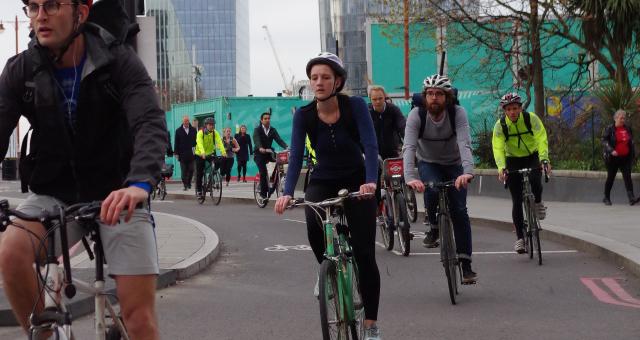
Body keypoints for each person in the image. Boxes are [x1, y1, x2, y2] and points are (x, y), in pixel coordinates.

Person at [0, 0, 165, 338]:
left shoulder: (117, 60)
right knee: (10, 251)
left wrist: (139, 183)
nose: (41, 15)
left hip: (120, 192)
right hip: (55, 193)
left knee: (139, 320)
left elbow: (148, 122)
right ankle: (47, 335)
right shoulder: (21, 70)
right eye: (33, 7)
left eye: (53, 5)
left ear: (82, 12)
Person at [274, 52, 382, 340]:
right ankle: (327, 270)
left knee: (365, 254)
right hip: (323, 179)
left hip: (358, 179)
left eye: (324, 77)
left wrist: (371, 182)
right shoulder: (305, 115)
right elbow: (296, 155)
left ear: (338, 81)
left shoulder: (355, 106)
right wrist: (287, 193)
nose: (318, 83)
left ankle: (371, 325)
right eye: (314, 78)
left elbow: (371, 147)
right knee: (311, 220)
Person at [404, 74, 477, 284]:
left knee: (460, 212)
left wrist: (467, 171)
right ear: (424, 97)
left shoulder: (458, 113)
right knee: (432, 188)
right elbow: (408, 147)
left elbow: (465, 143)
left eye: (438, 94)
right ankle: (434, 226)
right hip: (428, 162)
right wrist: (410, 177)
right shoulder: (416, 115)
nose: (434, 98)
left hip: (455, 164)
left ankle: (466, 265)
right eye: (430, 94)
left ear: (447, 97)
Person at [492, 92, 551, 254]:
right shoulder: (500, 125)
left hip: (532, 156)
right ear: (505, 111)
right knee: (516, 200)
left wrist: (544, 159)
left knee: (535, 181)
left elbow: (541, 137)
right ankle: (520, 238)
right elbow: (497, 147)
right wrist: (501, 167)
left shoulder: (530, 118)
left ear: (520, 108)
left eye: (515, 108)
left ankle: (537, 202)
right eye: (509, 109)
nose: (512, 112)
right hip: (512, 160)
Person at [601, 109, 639, 205]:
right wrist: (611, 150)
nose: (623, 120)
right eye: (621, 118)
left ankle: (631, 198)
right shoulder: (609, 129)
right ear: (615, 118)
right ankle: (606, 197)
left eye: (624, 118)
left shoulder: (627, 128)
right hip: (612, 158)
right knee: (611, 177)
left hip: (625, 158)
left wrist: (633, 154)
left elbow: (631, 141)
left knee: (627, 177)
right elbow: (604, 141)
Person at [253, 112, 288, 199]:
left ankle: (274, 178)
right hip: (259, 154)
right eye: (265, 118)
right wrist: (260, 147)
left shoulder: (273, 130)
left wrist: (287, 147)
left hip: (269, 153)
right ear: (261, 120)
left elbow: (279, 140)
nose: (267, 120)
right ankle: (263, 193)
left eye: (269, 118)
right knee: (263, 172)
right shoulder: (257, 130)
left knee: (279, 162)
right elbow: (256, 140)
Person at [368, 85, 406, 160]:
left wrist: (407, 143)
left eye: (380, 98)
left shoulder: (394, 110)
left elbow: (403, 127)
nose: (378, 101)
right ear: (370, 99)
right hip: (373, 152)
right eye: (374, 99)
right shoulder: (367, 112)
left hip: (393, 151)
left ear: (385, 97)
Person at [195, 117, 226, 197]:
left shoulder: (215, 133)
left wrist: (223, 152)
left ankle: (211, 176)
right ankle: (199, 191)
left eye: (213, 125)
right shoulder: (200, 133)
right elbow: (199, 143)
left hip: (210, 153)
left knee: (219, 161)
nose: (212, 126)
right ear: (206, 125)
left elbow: (219, 142)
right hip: (200, 154)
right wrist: (202, 152)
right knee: (200, 173)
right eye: (210, 125)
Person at [175, 115, 197, 191]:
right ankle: (185, 185)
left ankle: (189, 183)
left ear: (189, 121)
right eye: (185, 121)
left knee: (191, 169)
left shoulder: (193, 130)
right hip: (182, 154)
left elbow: (196, 142)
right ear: (182, 122)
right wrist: (176, 153)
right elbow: (176, 143)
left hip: (192, 154)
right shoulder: (178, 131)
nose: (186, 122)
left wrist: (197, 152)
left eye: (187, 121)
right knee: (184, 171)